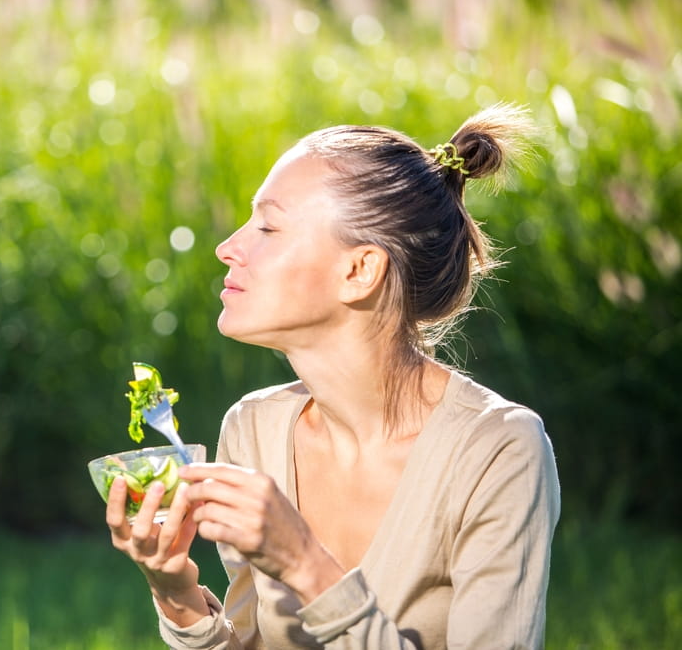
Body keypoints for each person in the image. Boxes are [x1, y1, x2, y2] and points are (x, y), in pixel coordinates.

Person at [105, 103, 561, 649]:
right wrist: (175, 591)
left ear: (360, 270)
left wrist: (304, 564)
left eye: (268, 226)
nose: (227, 247)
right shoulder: (255, 427)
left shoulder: (497, 450)